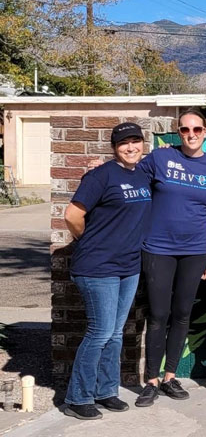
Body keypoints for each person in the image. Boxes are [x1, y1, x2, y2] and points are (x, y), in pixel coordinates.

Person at [134, 109, 206, 407]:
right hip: (158, 249)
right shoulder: (161, 158)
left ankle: (170, 376)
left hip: (195, 251)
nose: (192, 134)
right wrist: (98, 169)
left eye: (197, 129)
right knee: (158, 315)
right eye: (185, 130)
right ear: (178, 132)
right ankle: (151, 380)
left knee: (182, 314)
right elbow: (130, 175)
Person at [63, 122, 152, 420]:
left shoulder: (142, 173)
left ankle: (106, 391)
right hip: (97, 266)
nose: (131, 147)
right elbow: (73, 214)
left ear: (143, 143)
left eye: (135, 141)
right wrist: (85, 238)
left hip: (129, 266)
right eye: (124, 143)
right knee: (100, 332)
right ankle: (78, 397)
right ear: (114, 147)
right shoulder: (100, 175)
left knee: (115, 333)